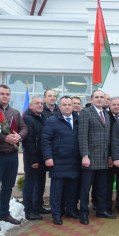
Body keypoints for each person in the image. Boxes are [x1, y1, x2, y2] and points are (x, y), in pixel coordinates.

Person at [0, 85, 28, 231]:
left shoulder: (14, 111)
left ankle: (4, 213)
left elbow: (24, 127)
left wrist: (18, 136)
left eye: (8, 94)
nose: (5, 96)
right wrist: (5, 138)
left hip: (12, 154)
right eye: (2, 94)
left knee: (8, 185)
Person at [78, 90, 116, 225]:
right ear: (91, 99)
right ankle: (83, 213)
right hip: (90, 158)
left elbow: (109, 138)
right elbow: (82, 136)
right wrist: (85, 156)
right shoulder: (86, 113)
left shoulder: (106, 114)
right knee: (85, 188)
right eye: (97, 97)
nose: (99, 99)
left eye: (102, 97)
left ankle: (101, 210)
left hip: (104, 158)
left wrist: (110, 156)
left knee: (102, 188)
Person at [41, 96, 81, 225]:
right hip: (58, 161)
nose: (68, 107)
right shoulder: (52, 121)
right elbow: (46, 140)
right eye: (64, 105)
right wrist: (48, 157)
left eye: (69, 104)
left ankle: (70, 211)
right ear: (59, 106)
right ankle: (56, 214)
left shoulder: (78, 120)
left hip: (74, 161)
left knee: (72, 189)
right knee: (57, 191)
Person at [22, 96, 49, 221]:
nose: (39, 105)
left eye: (41, 103)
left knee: (40, 184)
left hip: (41, 156)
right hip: (32, 158)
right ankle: (29, 210)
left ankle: (38, 207)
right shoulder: (28, 118)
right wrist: (33, 160)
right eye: (36, 103)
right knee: (31, 184)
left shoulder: (42, 117)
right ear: (30, 105)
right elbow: (28, 141)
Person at [106, 96, 119, 213]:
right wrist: (110, 156)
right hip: (109, 157)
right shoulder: (105, 117)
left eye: (118, 105)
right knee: (107, 184)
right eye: (114, 105)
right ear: (109, 106)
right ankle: (107, 207)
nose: (116, 107)